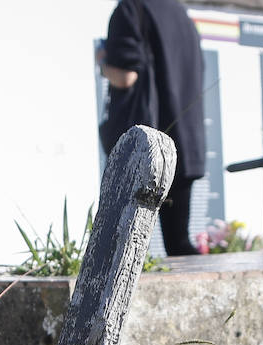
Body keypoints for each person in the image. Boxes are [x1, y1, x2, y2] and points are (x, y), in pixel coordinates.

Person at [99, 0, 205, 256]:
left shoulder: (130, 9)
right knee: (179, 244)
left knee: (121, 250)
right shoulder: (181, 14)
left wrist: (102, 62)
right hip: (184, 147)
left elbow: (125, 76)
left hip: (144, 149)